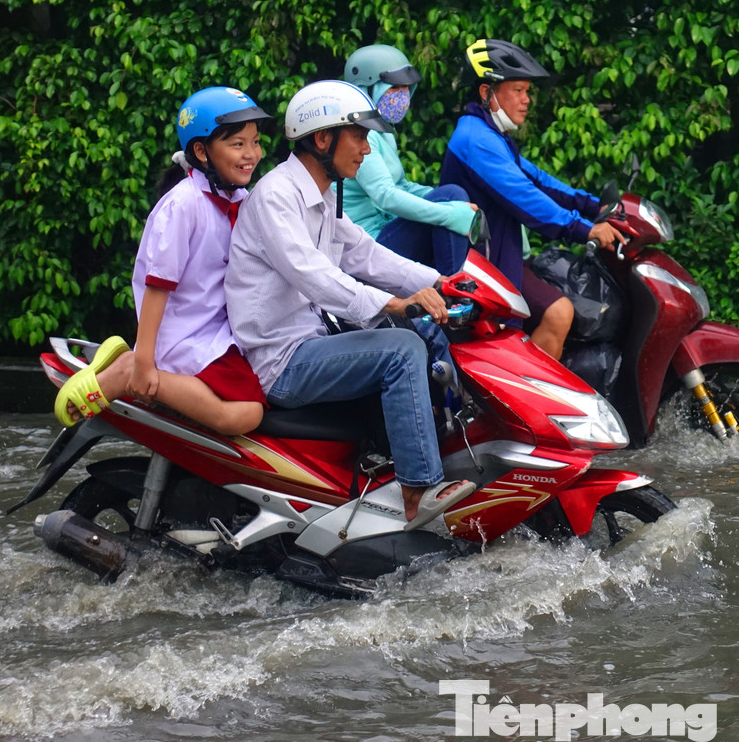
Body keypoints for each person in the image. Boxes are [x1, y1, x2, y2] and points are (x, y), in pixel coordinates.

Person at [224, 78, 475, 530]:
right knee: (402, 350)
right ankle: (418, 491)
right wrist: (395, 304)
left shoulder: (322, 195)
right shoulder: (277, 196)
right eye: (359, 136)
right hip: (283, 362)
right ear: (323, 139)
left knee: (408, 336)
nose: (366, 149)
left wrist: (443, 281)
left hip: (311, 343)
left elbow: (366, 254)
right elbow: (312, 275)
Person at [53, 87, 271, 435]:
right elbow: (158, 286)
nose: (252, 154)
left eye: (255, 142)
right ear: (201, 151)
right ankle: (124, 371)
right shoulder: (184, 204)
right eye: (238, 144)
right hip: (186, 335)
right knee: (246, 414)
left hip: (216, 331)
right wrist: (144, 362)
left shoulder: (238, 197)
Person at [440, 38, 624, 359]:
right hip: (481, 271)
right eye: (518, 90)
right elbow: (525, 198)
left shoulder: (491, 134)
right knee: (550, 319)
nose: (527, 100)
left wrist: (593, 206)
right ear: (486, 92)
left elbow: (537, 179)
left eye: (527, 91)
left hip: (500, 259)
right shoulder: (476, 139)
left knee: (556, 312)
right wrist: (583, 229)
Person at [337, 44, 478, 275]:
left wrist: (447, 202)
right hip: (367, 246)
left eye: (405, 87)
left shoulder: (383, 131)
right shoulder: (361, 136)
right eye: (394, 87)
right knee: (451, 197)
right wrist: (449, 213)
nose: (402, 95)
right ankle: (452, 288)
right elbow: (385, 195)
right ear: (366, 89)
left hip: (386, 231)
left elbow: (401, 186)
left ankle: (449, 283)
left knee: (452, 196)